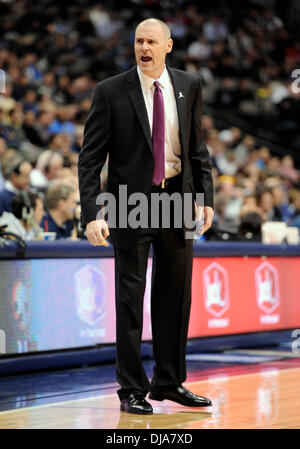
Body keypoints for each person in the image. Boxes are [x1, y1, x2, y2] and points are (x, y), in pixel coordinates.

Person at [78, 18, 214, 415]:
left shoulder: (189, 86)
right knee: (131, 301)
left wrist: (204, 198)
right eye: (139, 41)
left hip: (176, 200)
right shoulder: (110, 91)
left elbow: (197, 148)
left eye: (152, 41)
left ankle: (169, 382)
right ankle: (131, 389)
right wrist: (92, 213)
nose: (144, 47)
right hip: (128, 202)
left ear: (168, 46)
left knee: (176, 297)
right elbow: (90, 159)